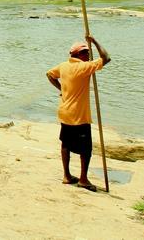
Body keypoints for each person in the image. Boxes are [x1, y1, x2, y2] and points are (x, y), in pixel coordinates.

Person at [46, 35, 111, 192]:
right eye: (85, 52)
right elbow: (106, 58)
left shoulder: (63, 66)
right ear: (78, 55)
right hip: (78, 115)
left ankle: (67, 176)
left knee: (66, 144)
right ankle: (83, 179)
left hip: (65, 112)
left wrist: (61, 88)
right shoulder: (84, 67)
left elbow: (49, 74)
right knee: (86, 149)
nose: (88, 55)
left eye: (88, 52)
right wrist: (94, 41)